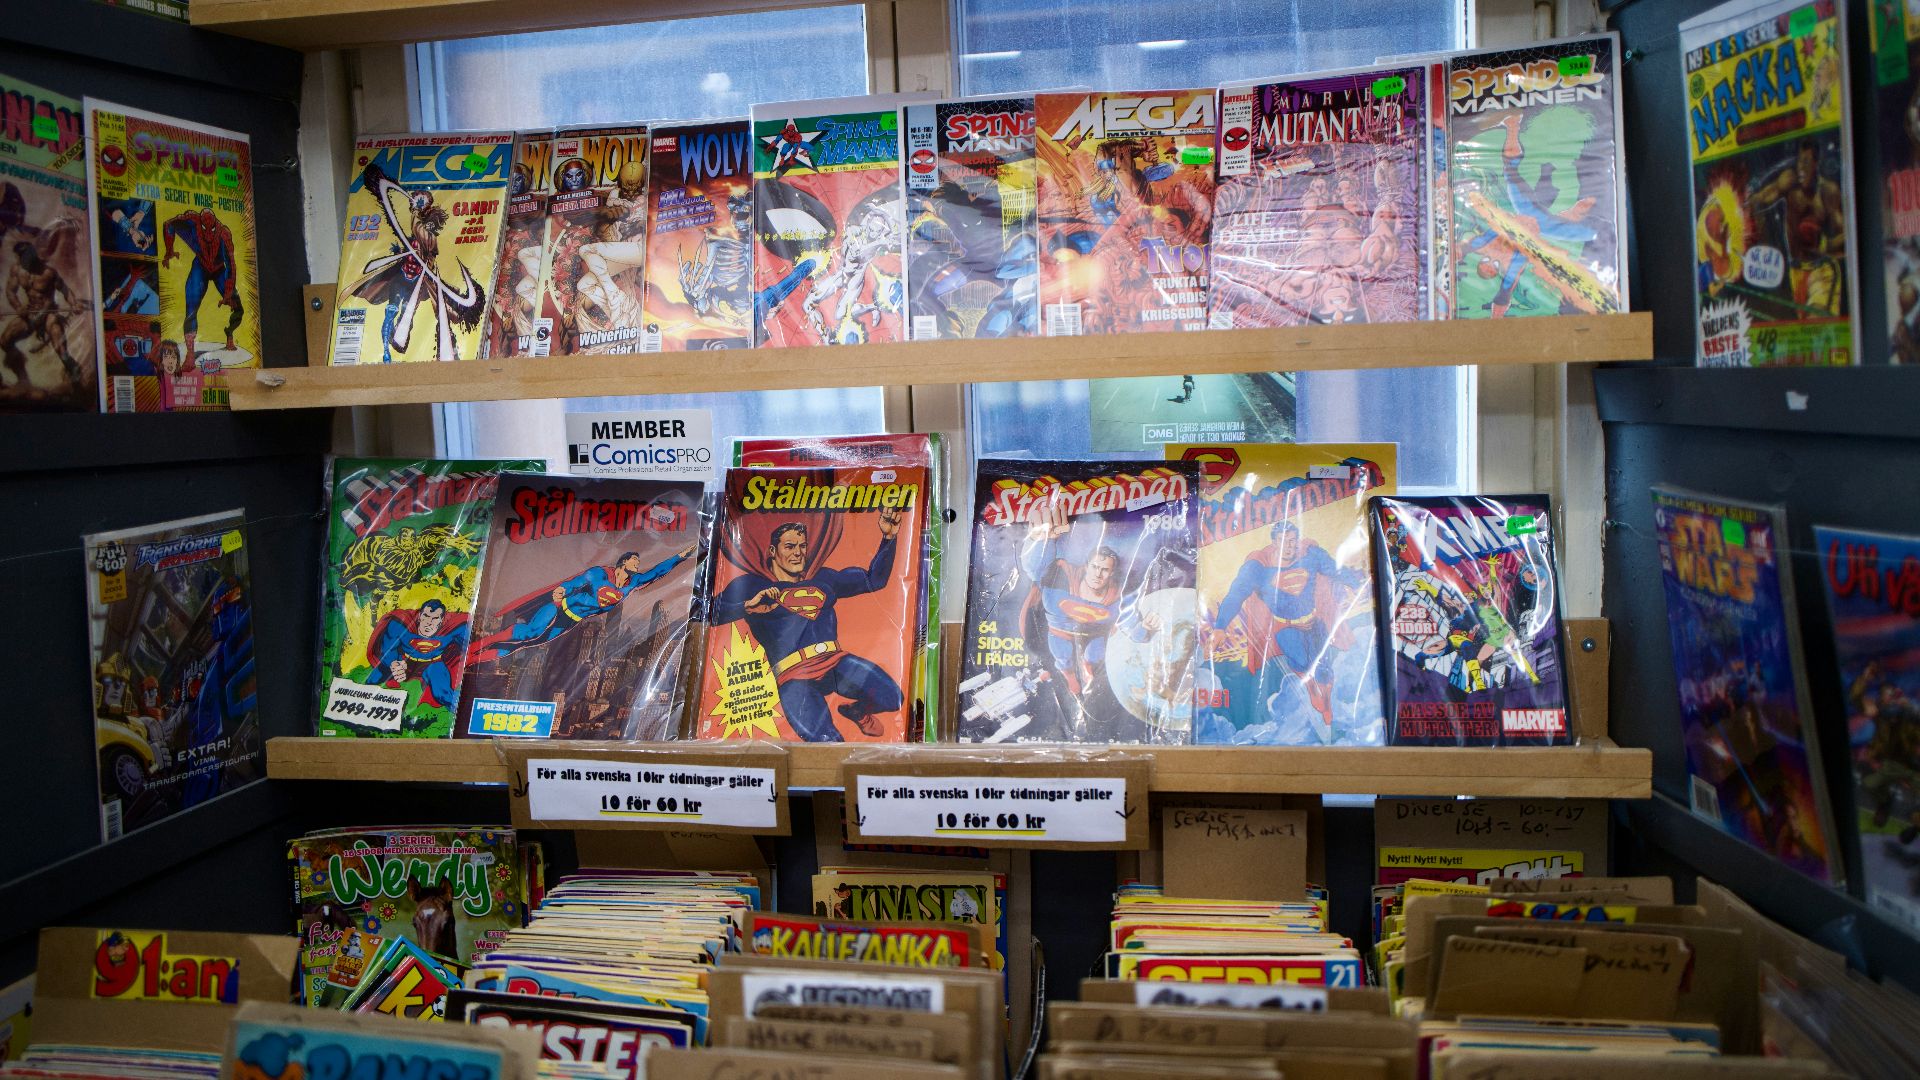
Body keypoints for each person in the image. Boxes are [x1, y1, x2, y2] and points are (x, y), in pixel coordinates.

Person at [709, 510, 905, 741]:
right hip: (794, 676)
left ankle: (858, 711)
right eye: (790, 546)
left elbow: (873, 580)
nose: (798, 553)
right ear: (773, 551)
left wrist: (889, 538)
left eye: (802, 546)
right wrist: (745, 606)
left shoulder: (822, 577)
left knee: (893, 697)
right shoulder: (751, 584)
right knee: (826, 742)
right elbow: (706, 614)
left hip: (835, 663)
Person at [472, 548, 692, 661]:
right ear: (623, 562)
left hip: (572, 620)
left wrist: (681, 556)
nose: (638, 564)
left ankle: (475, 658)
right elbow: (576, 582)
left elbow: (658, 572)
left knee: (527, 644)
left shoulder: (633, 582)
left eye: (639, 562)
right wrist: (562, 590)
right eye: (635, 560)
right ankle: (480, 644)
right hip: (559, 606)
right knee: (531, 632)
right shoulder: (599, 573)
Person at [161, 208, 244, 360]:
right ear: (199, 223)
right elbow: (169, 224)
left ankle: (229, 334)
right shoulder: (192, 221)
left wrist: (228, 290)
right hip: (200, 265)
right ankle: (190, 355)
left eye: (210, 227)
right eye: (203, 226)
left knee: (238, 308)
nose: (207, 233)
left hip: (219, 270)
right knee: (191, 309)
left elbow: (230, 262)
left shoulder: (224, 234)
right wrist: (169, 250)